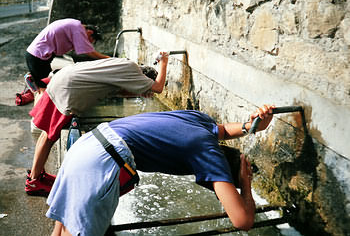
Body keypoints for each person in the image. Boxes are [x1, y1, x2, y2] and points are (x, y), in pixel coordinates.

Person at [46, 104, 275, 236]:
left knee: (63, 227)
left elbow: (224, 130)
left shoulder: (201, 124)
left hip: (88, 144)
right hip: (102, 161)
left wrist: (253, 126)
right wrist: (246, 184)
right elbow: (242, 221)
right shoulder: (210, 156)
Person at [25, 53, 169, 196]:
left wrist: (140, 91)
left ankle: (37, 175)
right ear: (144, 78)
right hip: (69, 88)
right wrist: (164, 61)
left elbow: (118, 91)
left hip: (65, 79)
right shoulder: (133, 72)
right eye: (145, 87)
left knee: (47, 133)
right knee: (50, 136)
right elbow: (158, 87)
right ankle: (34, 182)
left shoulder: (126, 66)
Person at [25, 18, 110, 92]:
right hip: (37, 56)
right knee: (44, 89)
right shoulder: (78, 29)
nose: (88, 43)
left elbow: (78, 49)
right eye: (90, 41)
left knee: (49, 82)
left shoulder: (75, 26)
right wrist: (108, 59)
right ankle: (40, 104)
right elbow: (89, 52)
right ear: (90, 32)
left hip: (40, 55)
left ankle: (32, 78)